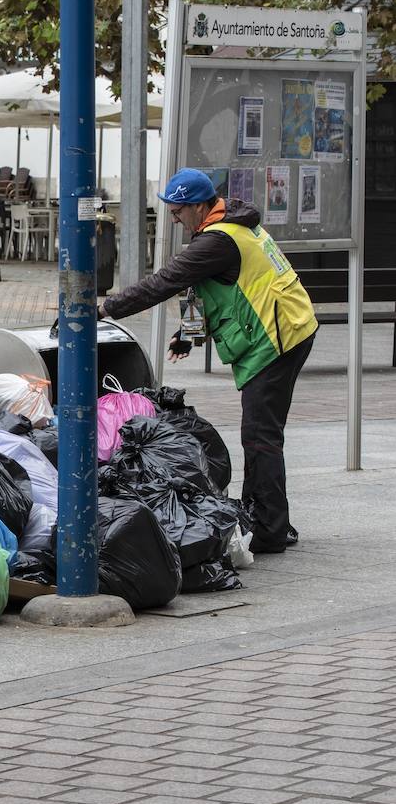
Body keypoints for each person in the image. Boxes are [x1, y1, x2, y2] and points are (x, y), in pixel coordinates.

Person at [99, 167, 318, 555]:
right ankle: (263, 516)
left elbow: (164, 282)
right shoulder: (227, 225)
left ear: (201, 206)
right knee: (260, 431)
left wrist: (106, 308)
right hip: (287, 326)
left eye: (179, 210)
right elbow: (215, 288)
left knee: (260, 434)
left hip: (276, 336)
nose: (173, 217)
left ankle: (270, 528)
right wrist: (188, 336)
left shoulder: (218, 240)